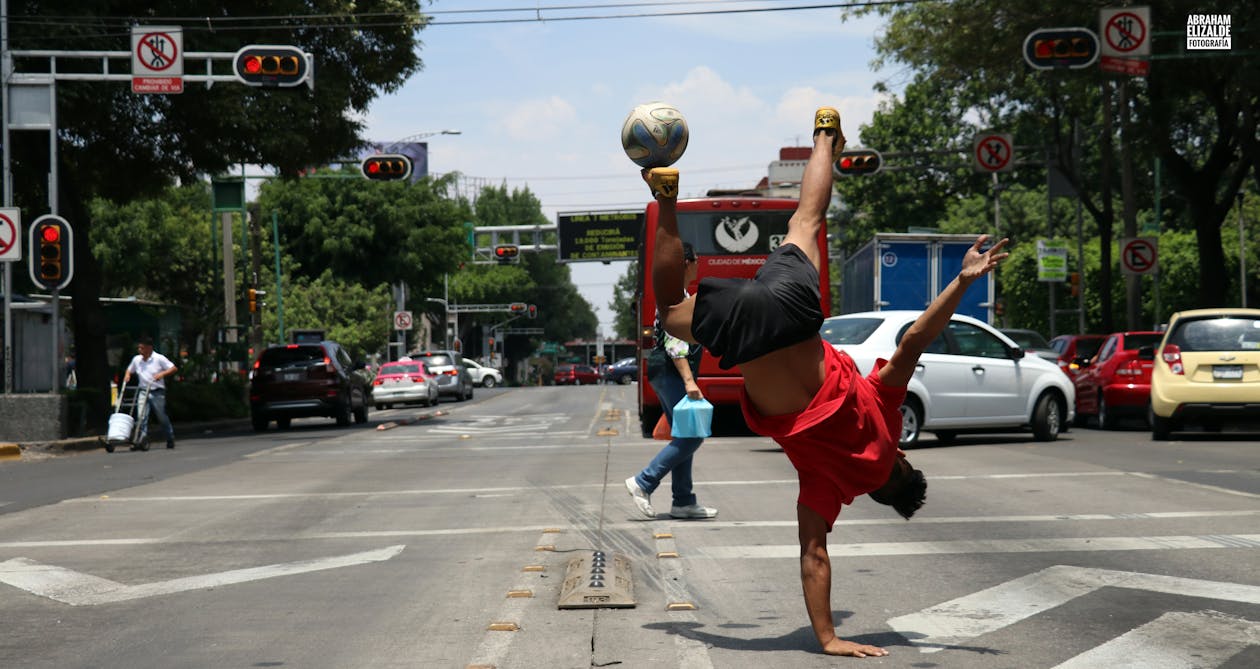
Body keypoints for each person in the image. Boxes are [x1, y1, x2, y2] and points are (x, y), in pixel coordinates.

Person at [643, 106, 1009, 658]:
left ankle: (824, 134)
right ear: (879, 493)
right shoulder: (830, 489)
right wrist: (829, 637)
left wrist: (961, 281)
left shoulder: (888, 423)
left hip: (795, 311)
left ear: (904, 464)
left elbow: (912, 342)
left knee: (805, 221)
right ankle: (666, 196)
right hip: (750, 337)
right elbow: (814, 556)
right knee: (668, 307)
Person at [625, 242, 718, 520]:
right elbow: (676, 343)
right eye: (697, 259)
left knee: (684, 434)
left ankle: (683, 501)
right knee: (692, 436)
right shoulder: (677, 295)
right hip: (671, 370)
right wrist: (690, 381)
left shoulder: (678, 293)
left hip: (662, 371)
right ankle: (643, 482)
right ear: (685, 262)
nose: (700, 263)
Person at [122, 336, 179, 449]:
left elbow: (173, 368)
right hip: (143, 390)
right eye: (139, 348)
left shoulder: (159, 358)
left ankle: (170, 437)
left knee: (161, 416)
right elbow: (130, 369)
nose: (140, 350)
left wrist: (162, 374)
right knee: (141, 416)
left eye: (142, 348)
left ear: (149, 348)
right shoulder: (137, 359)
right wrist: (127, 375)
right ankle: (141, 439)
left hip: (157, 391)